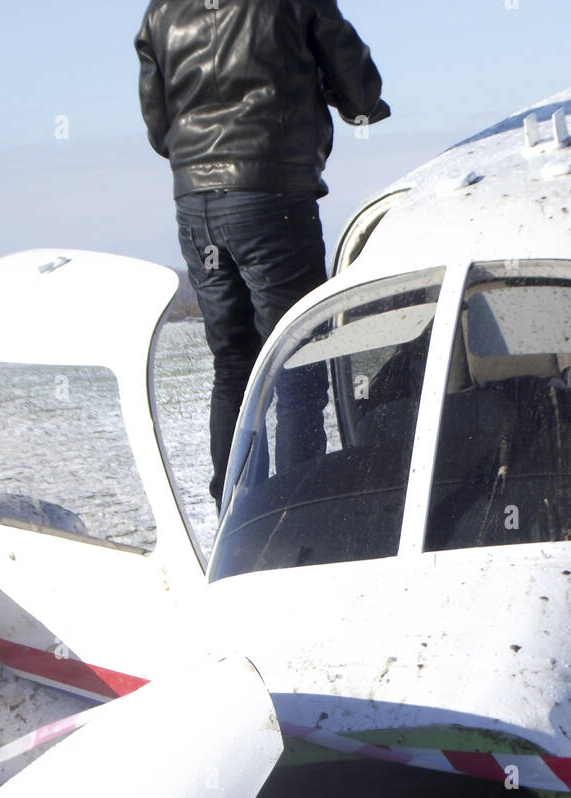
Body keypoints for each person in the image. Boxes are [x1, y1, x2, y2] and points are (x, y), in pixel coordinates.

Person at [135, 0, 390, 509]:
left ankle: (235, 511)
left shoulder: (161, 10)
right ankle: (297, 514)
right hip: (271, 196)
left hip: (194, 205)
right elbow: (359, 90)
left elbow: (160, 128)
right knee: (298, 361)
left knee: (232, 363)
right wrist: (357, 106)